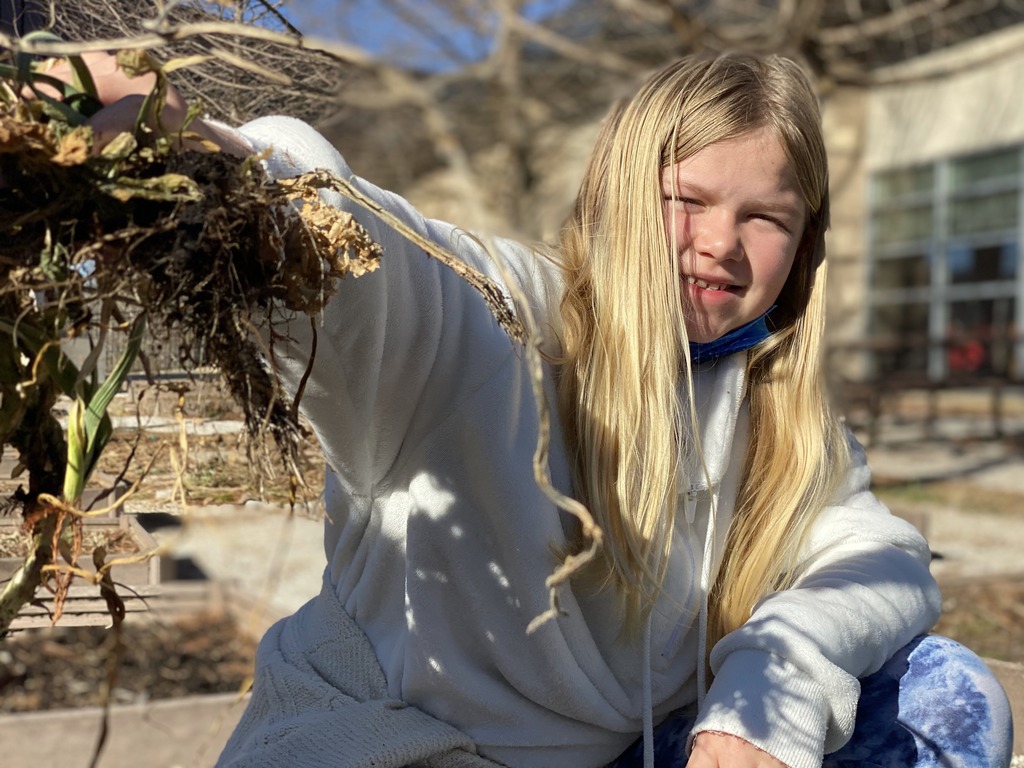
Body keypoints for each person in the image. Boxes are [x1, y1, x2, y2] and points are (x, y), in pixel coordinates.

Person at [35, 50, 1013, 768]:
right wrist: (196, 155)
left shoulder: (782, 416)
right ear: (621, 193)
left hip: (627, 752)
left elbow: (876, 557)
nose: (722, 244)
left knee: (943, 694)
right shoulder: (501, 321)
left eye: (765, 217)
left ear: (803, 244)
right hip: (396, 750)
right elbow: (368, 255)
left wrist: (770, 685)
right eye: (690, 199)